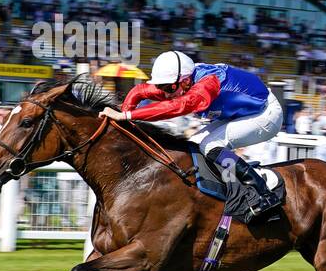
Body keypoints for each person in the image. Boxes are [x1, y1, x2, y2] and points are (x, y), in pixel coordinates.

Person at [104, 50, 284, 223]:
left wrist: (126, 116)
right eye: (161, 87)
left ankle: (264, 194)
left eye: (169, 88)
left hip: (266, 114)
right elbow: (139, 91)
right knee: (195, 145)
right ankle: (224, 191)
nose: (165, 93)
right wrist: (124, 115)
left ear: (185, 81)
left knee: (210, 146)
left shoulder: (207, 85)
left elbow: (176, 107)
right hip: (241, 113)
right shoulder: (179, 81)